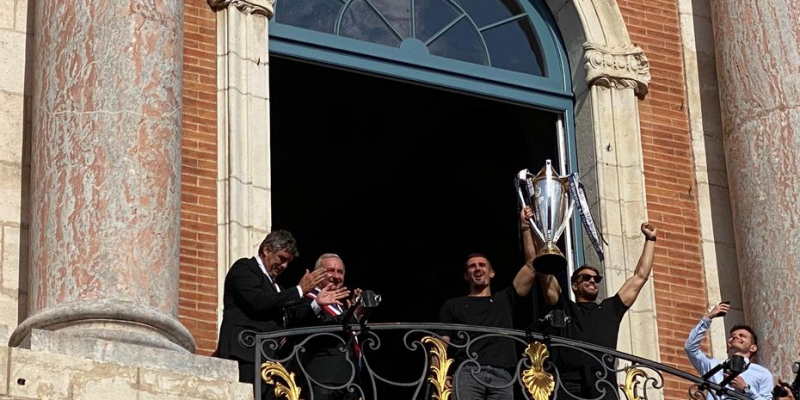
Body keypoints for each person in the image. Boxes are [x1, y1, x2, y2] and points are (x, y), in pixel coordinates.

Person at [215, 230, 349, 398]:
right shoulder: (245, 269)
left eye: (288, 262)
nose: (284, 265)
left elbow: (293, 319)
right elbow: (258, 302)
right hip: (246, 355)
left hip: (273, 363)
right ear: (266, 250)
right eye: (281, 258)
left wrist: (317, 304)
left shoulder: (278, 288)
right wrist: (300, 290)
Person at [534, 222, 657, 398]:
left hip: (604, 386)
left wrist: (650, 239)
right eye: (586, 277)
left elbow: (640, 276)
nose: (592, 281)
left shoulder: (609, 309)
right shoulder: (564, 307)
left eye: (596, 278)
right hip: (569, 387)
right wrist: (530, 228)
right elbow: (542, 268)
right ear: (574, 285)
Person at [436, 207, 540, 400]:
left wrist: (525, 227)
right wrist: (440, 373)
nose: (477, 269)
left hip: (502, 375)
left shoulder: (504, 299)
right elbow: (440, 345)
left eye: (482, 265)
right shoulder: (453, 305)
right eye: (472, 266)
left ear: (491, 273)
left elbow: (532, 265)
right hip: (467, 372)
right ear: (466, 275)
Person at [297, 253, 364, 400]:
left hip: (350, 382)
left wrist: (353, 314)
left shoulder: (340, 305)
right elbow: (300, 322)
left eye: (340, 272)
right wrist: (317, 305)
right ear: (317, 273)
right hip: (322, 381)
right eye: (330, 270)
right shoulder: (306, 299)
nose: (336, 276)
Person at [684, 302, 773, 400]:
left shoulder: (762, 373)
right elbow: (690, 348)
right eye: (732, 336)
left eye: (742, 336)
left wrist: (746, 389)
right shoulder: (713, 366)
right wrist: (708, 318)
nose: (735, 336)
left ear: (753, 348)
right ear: (727, 346)